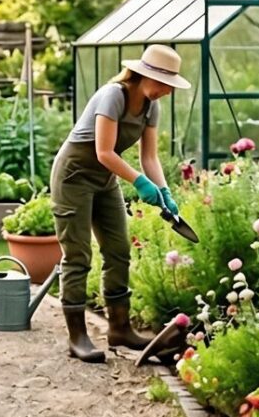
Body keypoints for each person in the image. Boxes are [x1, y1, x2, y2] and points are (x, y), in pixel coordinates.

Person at [49, 43, 188, 363]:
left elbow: (149, 156)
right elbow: (104, 152)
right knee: (78, 255)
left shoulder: (152, 107)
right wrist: (139, 182)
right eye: (166, 84)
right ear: (146, 76)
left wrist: (164, 191)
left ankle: (120, 329)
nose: (169, 91)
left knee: (118, 250)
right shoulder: (114, 95)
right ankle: (77, 337)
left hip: (104, 179)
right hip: (74, 177)